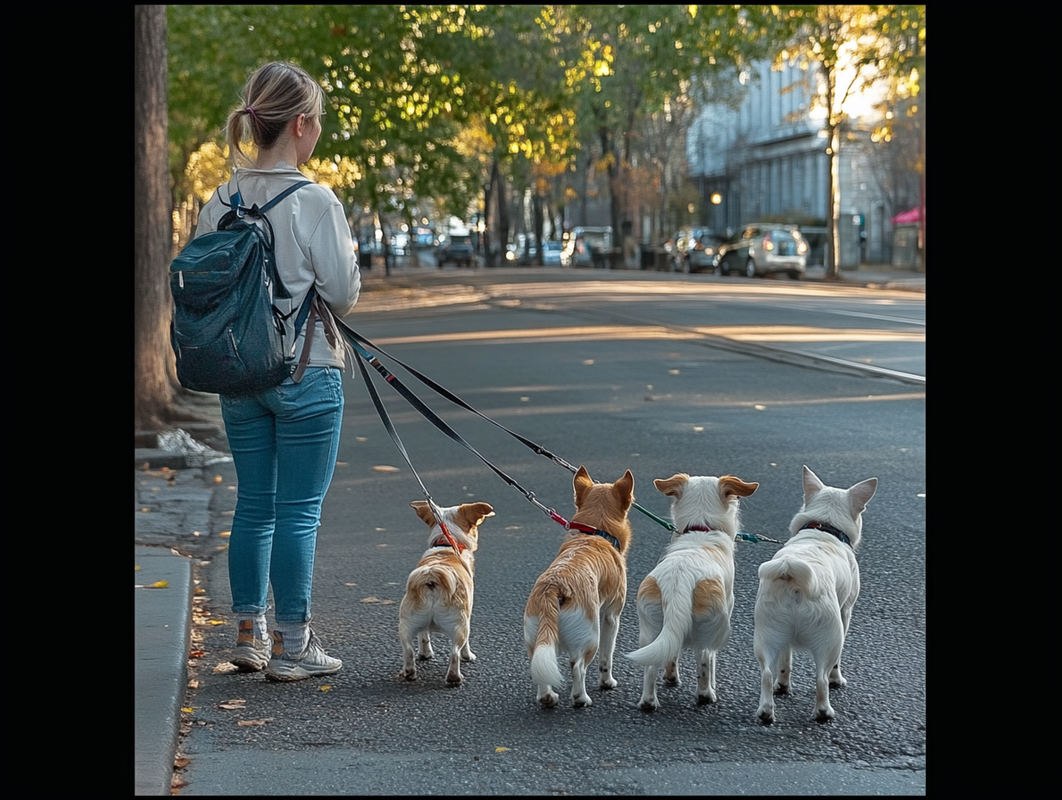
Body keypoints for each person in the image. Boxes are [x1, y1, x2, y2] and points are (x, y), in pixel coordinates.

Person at [193, 61, 361, 681]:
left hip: (240, 376)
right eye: (316, 122)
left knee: (254, 506)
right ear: (299, 125)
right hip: (305, 373)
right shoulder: (315, 200)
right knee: (298, 513)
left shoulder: (220, 200)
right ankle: (294, 648)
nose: (317, 133)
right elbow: (342, 294)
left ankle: (249, 634)